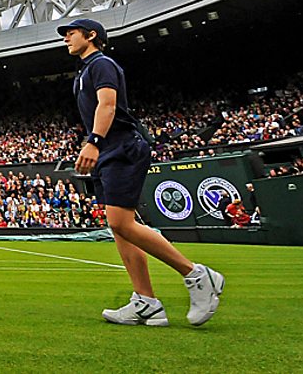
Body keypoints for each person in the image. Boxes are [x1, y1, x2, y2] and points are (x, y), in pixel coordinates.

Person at [59, 18, 224, 327]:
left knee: (120, 222)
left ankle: (197, 275)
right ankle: (146, 302)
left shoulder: (101, 63)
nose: (66, 38)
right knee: (119, 228)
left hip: (121, 147)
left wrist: (93, 141)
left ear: (91, 35)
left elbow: (107, 105)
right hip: (109, 151)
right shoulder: (85, 71)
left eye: (72, 33)